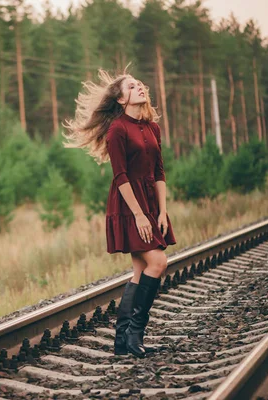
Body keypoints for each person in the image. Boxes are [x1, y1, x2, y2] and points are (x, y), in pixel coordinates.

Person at [62, 67, 176, 357]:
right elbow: (121, 176)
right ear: (121, 99)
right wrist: (139, 215)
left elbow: (160, 171)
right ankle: (135, 334)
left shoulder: (152, 128)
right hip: (128, 205)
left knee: (140, 269)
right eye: (131, 86)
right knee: (157, 262)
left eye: (139, 84)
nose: (139, 87)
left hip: (150, 204)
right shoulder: (117, 129)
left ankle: (123, 341)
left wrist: (162, 212)